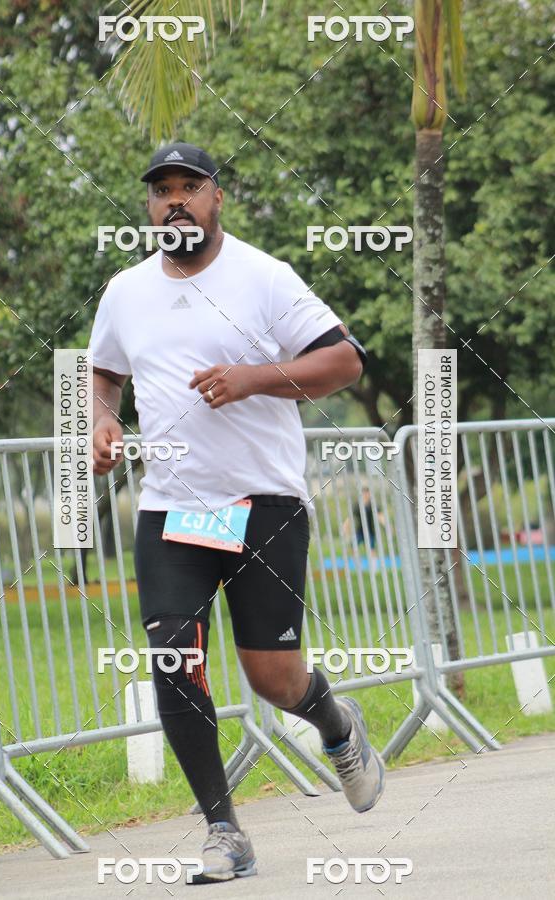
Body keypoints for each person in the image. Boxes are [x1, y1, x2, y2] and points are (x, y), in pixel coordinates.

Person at [90, 141, 385, 885]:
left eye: (191, 187)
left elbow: (346, 360)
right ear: (149, 207)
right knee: (172, 658)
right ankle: (225, 831)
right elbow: (101, 374)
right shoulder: (124, 291)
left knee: (273, 678)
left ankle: (336, 725)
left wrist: (255, 377)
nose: (176, 200)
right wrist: (99, 422)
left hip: (265, 506)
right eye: (162, 191)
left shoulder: (264, 277)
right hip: (172, 511)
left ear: (218, 198)